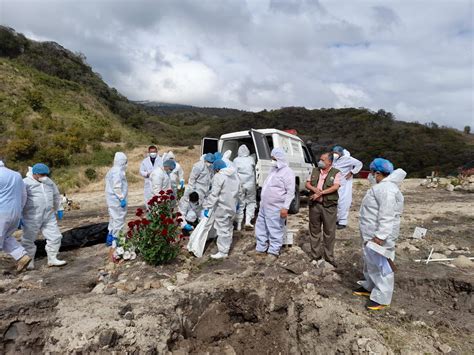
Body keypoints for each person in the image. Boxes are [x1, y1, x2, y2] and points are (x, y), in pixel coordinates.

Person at [353, 158, 406, 311]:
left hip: (380, 235)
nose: (371, 176)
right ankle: (369, 285)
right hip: (371, 233)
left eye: (372, 173)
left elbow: (387, 214)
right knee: (370, 261)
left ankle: (382, 297)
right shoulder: (382, 187)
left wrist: (381, 236)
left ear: (377, 173)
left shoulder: (386, 189)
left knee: (382, 265)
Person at [22, 163, 66, 268]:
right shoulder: (25, 183)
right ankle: (29, 262)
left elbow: (56, 195)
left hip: (48, 215)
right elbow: (20, 199)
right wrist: (19, 215)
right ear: (35, 173)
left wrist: (59, 208)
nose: (44, 176)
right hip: (32, 216)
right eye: (42, 174)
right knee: (28, 239)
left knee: (55, 237)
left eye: (46, 174)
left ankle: (52, 258)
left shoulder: (49, 182)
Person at [255, 148, 295, 259]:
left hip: (276, 207)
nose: (272, 161)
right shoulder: (273, 170)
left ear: (279, 158)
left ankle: (273, 251)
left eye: (274, 159)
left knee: (275, 228)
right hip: (264, 206)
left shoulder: (288, 172)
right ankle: (261, 248)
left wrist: (285, 207)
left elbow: (290, 192)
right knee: (261, 227)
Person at [305, 152, 341, 267]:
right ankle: (315, 256)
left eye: (323, 160)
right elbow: (307, 184)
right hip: (315, 205)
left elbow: (335, 186)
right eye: (320, 159)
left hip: (329, 206)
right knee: (314, 230)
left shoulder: (336, 173)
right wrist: (314, 189)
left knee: (329, 232)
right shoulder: (315, 170)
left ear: (330, 162)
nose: (320, 161)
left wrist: (321, 193)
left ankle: (329, 258)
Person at [202, 159, 240, 259]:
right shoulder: (234, 176)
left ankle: (223, 252)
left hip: (222, 207)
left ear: (217, 169)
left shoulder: (219, 176)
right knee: (229, 228)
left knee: (222, 229)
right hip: (232, 206)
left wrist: (207, 206)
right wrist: (238, 203)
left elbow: (214, 194)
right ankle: (226, 248)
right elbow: (239, 191)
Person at [0, 159, 32, 272]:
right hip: (15, 213)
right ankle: (22, 256)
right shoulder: (16, 175)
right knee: (6, 237)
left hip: (1, 213)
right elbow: (24, 194)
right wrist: (20, 210)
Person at [332, 145, 363, 229]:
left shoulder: (348, 159)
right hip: (336, 183)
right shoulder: (335, 158)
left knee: (343, 202)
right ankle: (336, 219)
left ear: (341, 153)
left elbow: (359, 164)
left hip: (344, 183)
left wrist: (352, 172)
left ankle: (342, 221)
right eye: (334, 153)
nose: (335, 154)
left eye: (336, 153)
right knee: (336, 201)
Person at [105, 152, 128, 247]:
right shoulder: (117, 171)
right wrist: (121, 198)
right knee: (119, 219)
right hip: (116, 200)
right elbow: (117, 187)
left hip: (111, 199)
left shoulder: (111, 170)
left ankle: (110, 237)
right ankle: (118, 241)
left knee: (113, 218)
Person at [234, 145, 257, 230]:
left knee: (240, 203)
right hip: (250, 184)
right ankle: (248, 221)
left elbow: (234, 173)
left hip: (240, 185)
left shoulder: (235, 160)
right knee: (251, 202)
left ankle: (239, 224)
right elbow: (255, 169)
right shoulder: (251, 159)